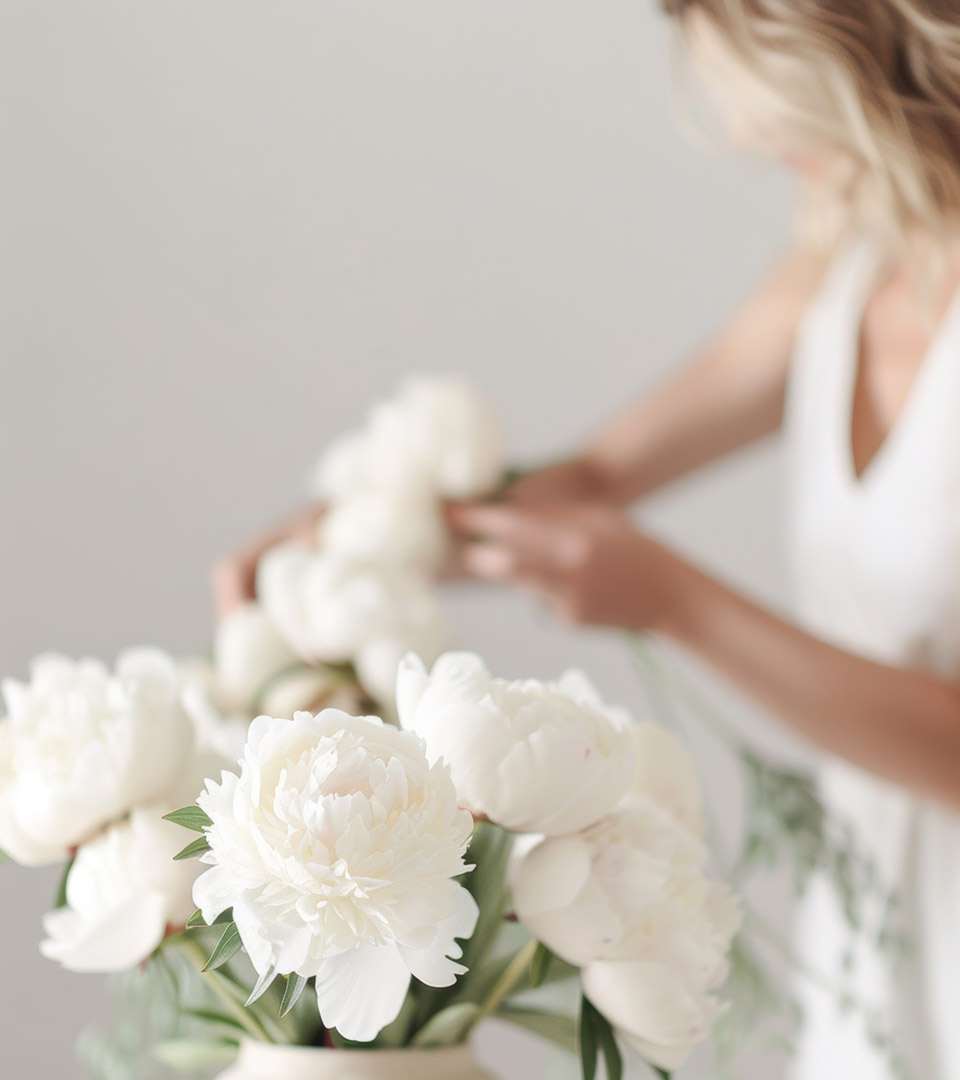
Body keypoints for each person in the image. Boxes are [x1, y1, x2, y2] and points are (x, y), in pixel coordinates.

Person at [213, 2, 960, 1076]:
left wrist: (675, 604)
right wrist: (369, 540)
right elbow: (597, 480)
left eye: (775, 109)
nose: (751, 145)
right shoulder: (847, 260)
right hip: (876, 903)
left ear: (872, 64)